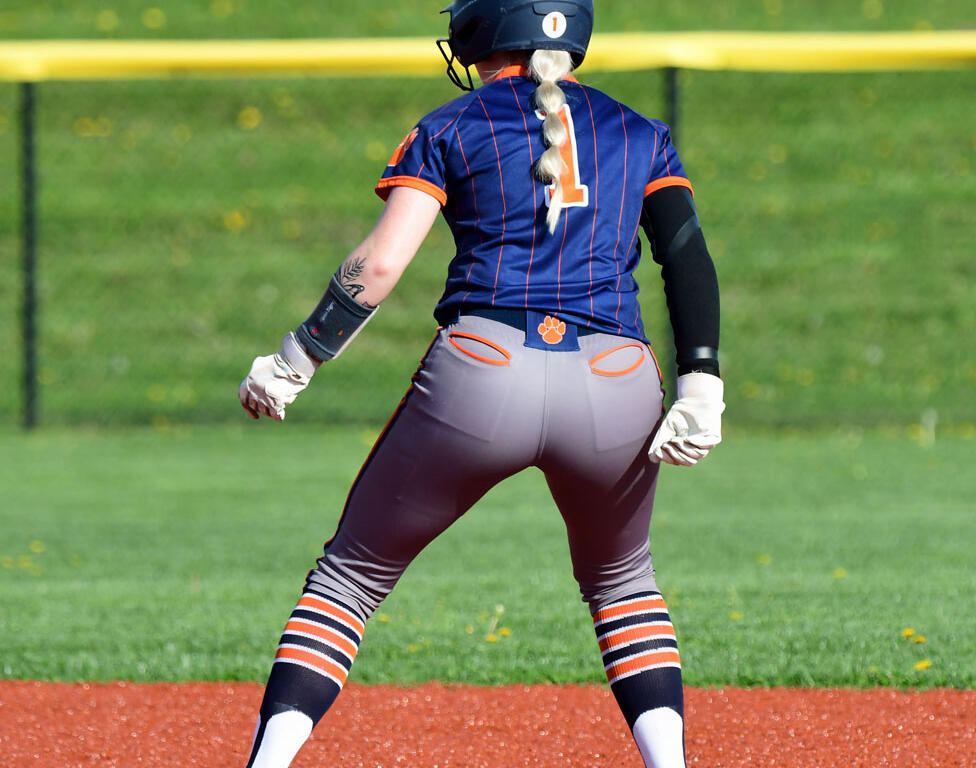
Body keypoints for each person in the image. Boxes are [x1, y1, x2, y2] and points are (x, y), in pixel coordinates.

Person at [237, 1, 724, 766]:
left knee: (351, 578)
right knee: (624, 585)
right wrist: (703, 386)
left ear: (486, 28)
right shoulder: (640, 132)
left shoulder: (452, 125)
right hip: (616, 376)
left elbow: (381, 264)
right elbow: (687, 258)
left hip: (483, 369)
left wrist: (296, 359)